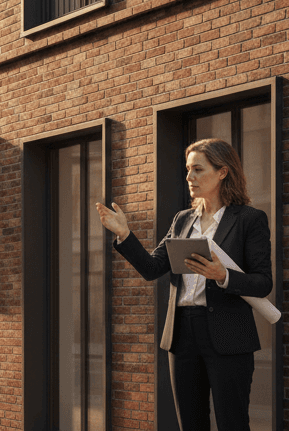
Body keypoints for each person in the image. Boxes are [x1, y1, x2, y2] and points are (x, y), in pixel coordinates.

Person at [97, 138, 272, 431]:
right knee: (190, 424)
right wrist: (125, 234)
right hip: (182, 334)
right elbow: (153, 268)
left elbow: (262, 282)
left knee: (233, 423)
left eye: (198, 169)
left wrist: (223, 275)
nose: (189, 177)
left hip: (228, 335)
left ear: (222, 172)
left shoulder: (249, 220)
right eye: (188, 169)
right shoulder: (183, 220)